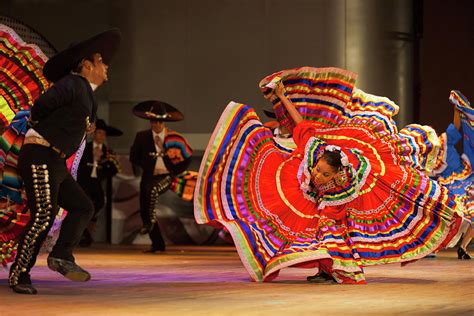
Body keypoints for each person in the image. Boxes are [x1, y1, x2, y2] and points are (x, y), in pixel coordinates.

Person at [194, 66, 465, 284]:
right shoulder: (314, 148)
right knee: (278, 196)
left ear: (336, 175)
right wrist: (281, 95)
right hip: (324, 188)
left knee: (327, 231)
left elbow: (335, 220)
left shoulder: (346, 186)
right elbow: (300, 122)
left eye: (323, 173)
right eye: (317, 169)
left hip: (349, 201)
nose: (316, 174)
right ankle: (326, 268)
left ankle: (333, 270)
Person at [8, 29, 121, 294]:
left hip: (55, 161)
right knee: (43, 215)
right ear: (85, 65)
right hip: (40, 155)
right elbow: (41, 106)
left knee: (83, 206)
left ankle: (61, 256)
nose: (106, 67)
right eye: (101, 62)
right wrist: (44, 125)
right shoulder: (71, 83)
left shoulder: (87, 95)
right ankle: (19, 273)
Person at [130, 100, 192, 253]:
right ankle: (157, 244)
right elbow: (134, 157)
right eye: (153, 121)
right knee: (145, 207)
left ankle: (150, 222)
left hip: (167, 176)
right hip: (149, 175)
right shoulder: (142, 136)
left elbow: (186, 156)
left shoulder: (174, 138)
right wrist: (145, 164)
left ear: (164, 122)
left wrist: (176, 171)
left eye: (159, 121)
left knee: (153, 190)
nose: (156, 124)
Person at [430, 90, 473, 259]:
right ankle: (431, 248)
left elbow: (456, 126)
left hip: (466, 178)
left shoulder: (445, 140)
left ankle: (463, 247)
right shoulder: (426, 156)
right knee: (444, 218)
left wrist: (457, 109)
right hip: (448, 187)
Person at [77, 119, 122, 247]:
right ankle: (84, 230)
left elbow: (114, 169)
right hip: (84, 181)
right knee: (83, 204)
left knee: (100, 202)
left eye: (103, 134)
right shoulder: (86, 147)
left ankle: (89, 221)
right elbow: (78, 165)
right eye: (99, 133)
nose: (101, 136)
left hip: (97, 181)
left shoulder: (108, 151)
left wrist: (106, 165)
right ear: (94, 133)